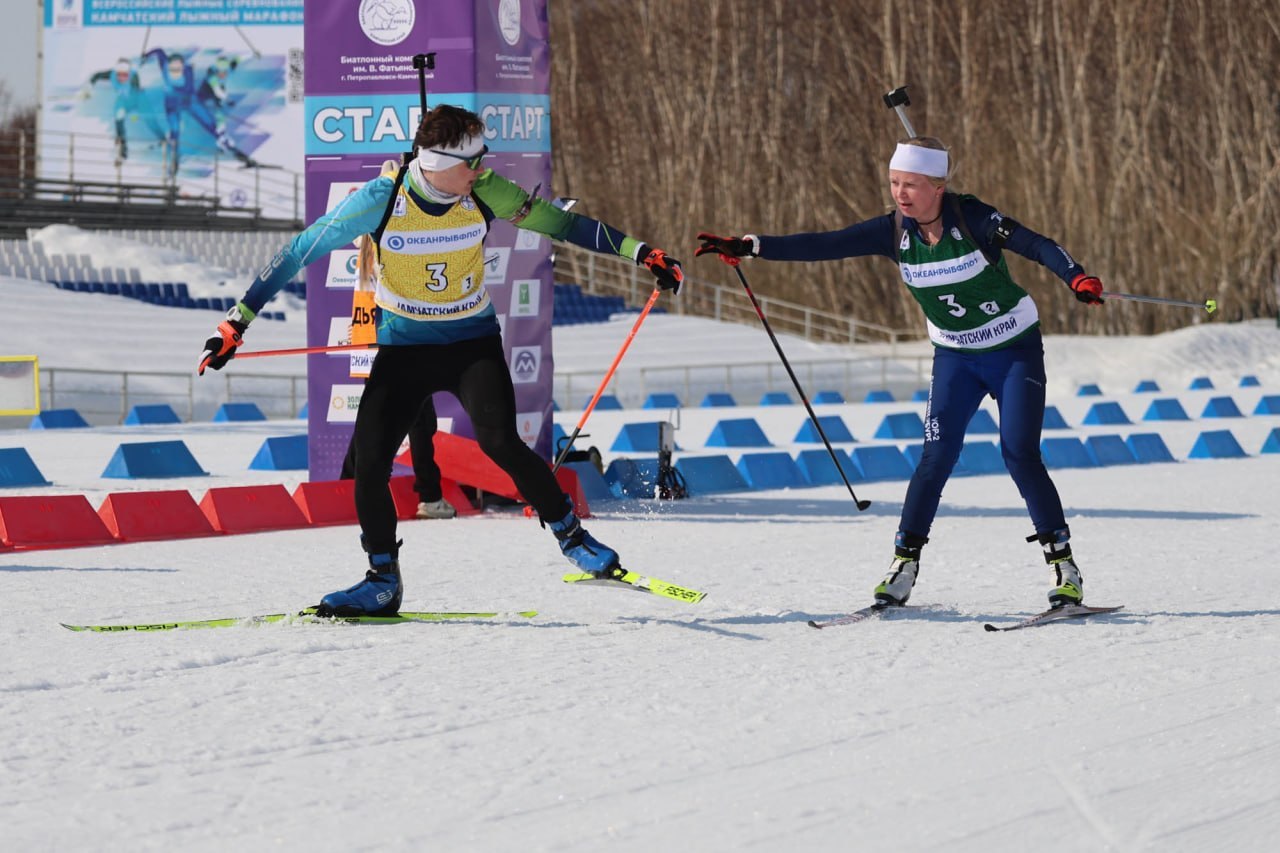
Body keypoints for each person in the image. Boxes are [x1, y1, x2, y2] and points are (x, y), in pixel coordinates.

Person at [198, 103, 684, 616]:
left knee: (501, 443)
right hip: (405, 351)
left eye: (483, 158)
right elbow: (297, 252)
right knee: (369, 465)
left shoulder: (485, 191)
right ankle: (382, 581)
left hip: (471, 344)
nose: (481, 169)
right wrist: (236, 322)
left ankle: (574, 539)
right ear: (432, 162)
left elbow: (561, 226)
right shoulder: (382, 200)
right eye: (470, 161)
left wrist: (643, 252)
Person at [696, 136, 1104, 609]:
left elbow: (1037, 244)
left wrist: (1075, 276)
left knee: (1018, 453)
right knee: (935, 456)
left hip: (1013, 349)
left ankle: (1064, 567)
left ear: (938, 186)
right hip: (955, 357)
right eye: (894, 183)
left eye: (911, 184)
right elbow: (826, 244)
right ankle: (903, 566)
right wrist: (753, 246)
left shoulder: (975, 219)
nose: (900, 194)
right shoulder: (894, 231)